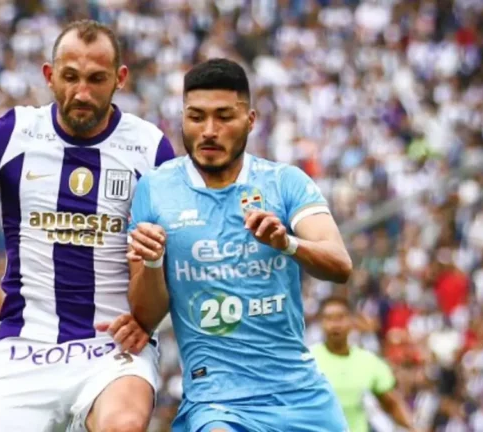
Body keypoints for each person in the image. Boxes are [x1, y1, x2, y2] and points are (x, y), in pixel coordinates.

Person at [0, 20, 175, 432]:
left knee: (122, 426)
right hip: (24, 347)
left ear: (120, 78)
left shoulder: (150, 148)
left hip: (112, 347)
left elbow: (167, 260)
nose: (81, 92)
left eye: (96, 79)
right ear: (49, 75)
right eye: (70, 77)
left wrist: (147, 320)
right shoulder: (12, 133)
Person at [125, 58, 353, 432]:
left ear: (250, 120)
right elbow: (145, 316)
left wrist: (288, 243)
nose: (209, 131)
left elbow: (340, 264)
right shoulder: (156, 189)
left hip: (301, 395)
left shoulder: (284, 182)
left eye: (224, 117)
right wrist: (151, 263)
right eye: (196, 117)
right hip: (217, 402)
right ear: (182, 118)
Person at [310, 296, 416, 432]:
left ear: (351, 321)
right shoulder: (307, 361)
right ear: (320, 323)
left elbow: (392, 404)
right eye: (329, 318)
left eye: (340, 318)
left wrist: (414, 428)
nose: (335, 325)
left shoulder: (369, 361)